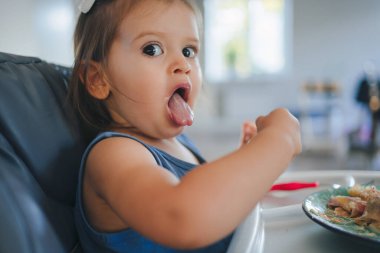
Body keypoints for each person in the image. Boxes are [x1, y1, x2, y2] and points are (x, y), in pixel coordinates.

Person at [68, 0, 302, 252]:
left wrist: (247, 158)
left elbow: (209, 201)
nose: (183, 64)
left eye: (189, 51)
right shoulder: (113, 154)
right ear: (98, 79)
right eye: (153, 49)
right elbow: (182, 217)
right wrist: (278, 141)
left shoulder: (178, 143)